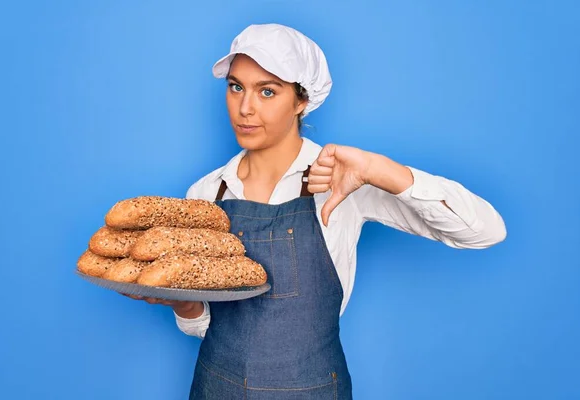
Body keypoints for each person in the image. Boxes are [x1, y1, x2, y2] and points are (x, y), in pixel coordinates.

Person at [130, 23, 506, 399]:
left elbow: (485, 231)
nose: (245, 108)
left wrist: (378, 169)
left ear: (301, 101)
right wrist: (184, 302)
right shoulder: (207, 193)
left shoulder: (345, 180)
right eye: (236, 86)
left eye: (267, 91)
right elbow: (207, 327)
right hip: (216, 387)